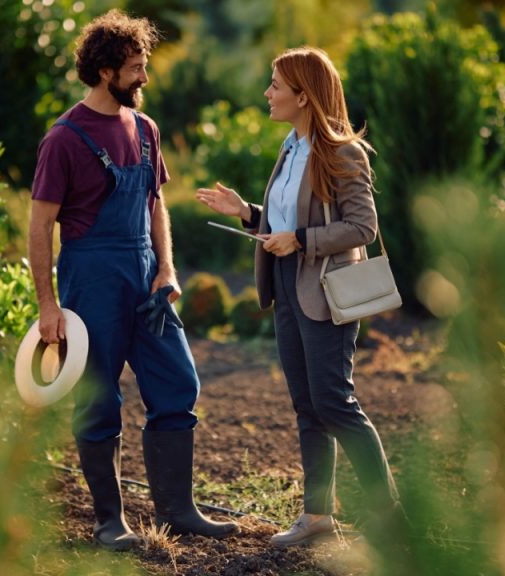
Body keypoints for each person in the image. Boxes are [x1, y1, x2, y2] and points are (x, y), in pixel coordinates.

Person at [29, 9, 238, 551]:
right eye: (136, 68)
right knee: (98, 399)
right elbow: (39, 227)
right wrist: (47, 307)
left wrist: (166, 269)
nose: (145, 77)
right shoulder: (65, 139)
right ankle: (108, 521)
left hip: (146, 275)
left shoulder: (146, 129)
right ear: (104, 71)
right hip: (91, 277)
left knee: (178, 384)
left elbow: (156, 204)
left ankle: (178, 511)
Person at [196, 46, 402, 548]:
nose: (267, 93)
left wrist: (304, 241)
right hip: (286, 285)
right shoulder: (290, 146)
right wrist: (246, 211)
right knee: (307, 405)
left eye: (276, 86)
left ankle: (391, 520)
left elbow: (363, 227)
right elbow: (286, 219)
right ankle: (316, 518)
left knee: (335, 402)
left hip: (325, 289)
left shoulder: (344, 153)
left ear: (304, 96)